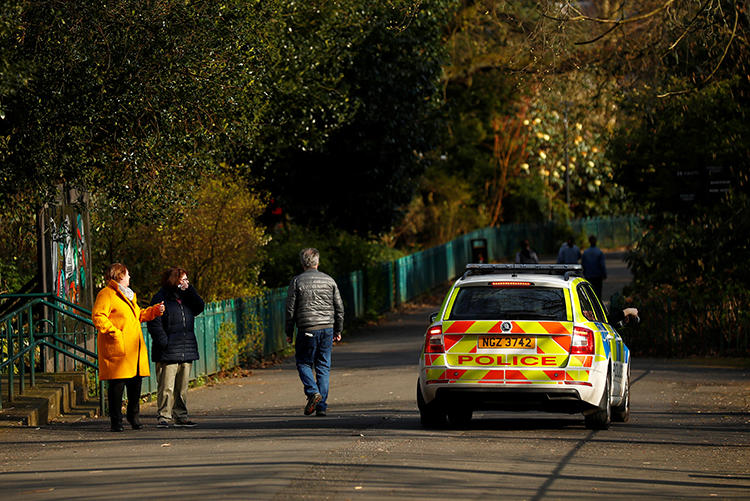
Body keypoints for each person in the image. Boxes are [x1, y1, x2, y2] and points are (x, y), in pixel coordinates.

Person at [92, 263, 165, 432]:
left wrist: (154, 311)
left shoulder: (129, 296)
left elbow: (138, 315)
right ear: (119, 276)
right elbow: (98, 316)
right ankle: (116, 421)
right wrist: (114, 332)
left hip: (133, 350)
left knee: (135, 386)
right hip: (119, 349)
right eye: (127, 274)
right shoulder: (107, 294)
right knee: (117, 387)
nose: (130, 277)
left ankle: (134, 417)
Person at [285, 248, 344, 417]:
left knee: (303, 363)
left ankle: (313, 393)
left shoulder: (296, 282)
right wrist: (338, 329)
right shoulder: (330, 281)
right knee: (323, 366)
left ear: (303, 263)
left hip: (307, 329)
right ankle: (322, 407)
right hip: (327, 328)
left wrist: (289, 331)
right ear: (317, 262)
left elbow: (290, 310)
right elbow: (339, 308)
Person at [147, 267, 205, 428]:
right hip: (168, 350)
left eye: (187, 280)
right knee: (167, 387)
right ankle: (164, 416)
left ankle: (181, 415)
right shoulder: (160, 298)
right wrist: (164, 342)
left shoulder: (187, 297)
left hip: (186, 348)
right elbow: (154, 323)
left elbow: (199, 307)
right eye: (183, 280)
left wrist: (190, 290)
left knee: (182, 387)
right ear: (174, 280)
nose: (186, 283)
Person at [581, 235, 607, 300]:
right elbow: (602, 265)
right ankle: (598, 307)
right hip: (598, 276)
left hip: (589, 275)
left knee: (589, 293)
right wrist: (604, 274)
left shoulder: (586, 252)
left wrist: (584, 273)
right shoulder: (599, 252)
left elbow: (583, 264)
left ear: (589, 242)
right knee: (598, 293)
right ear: (596, 242)